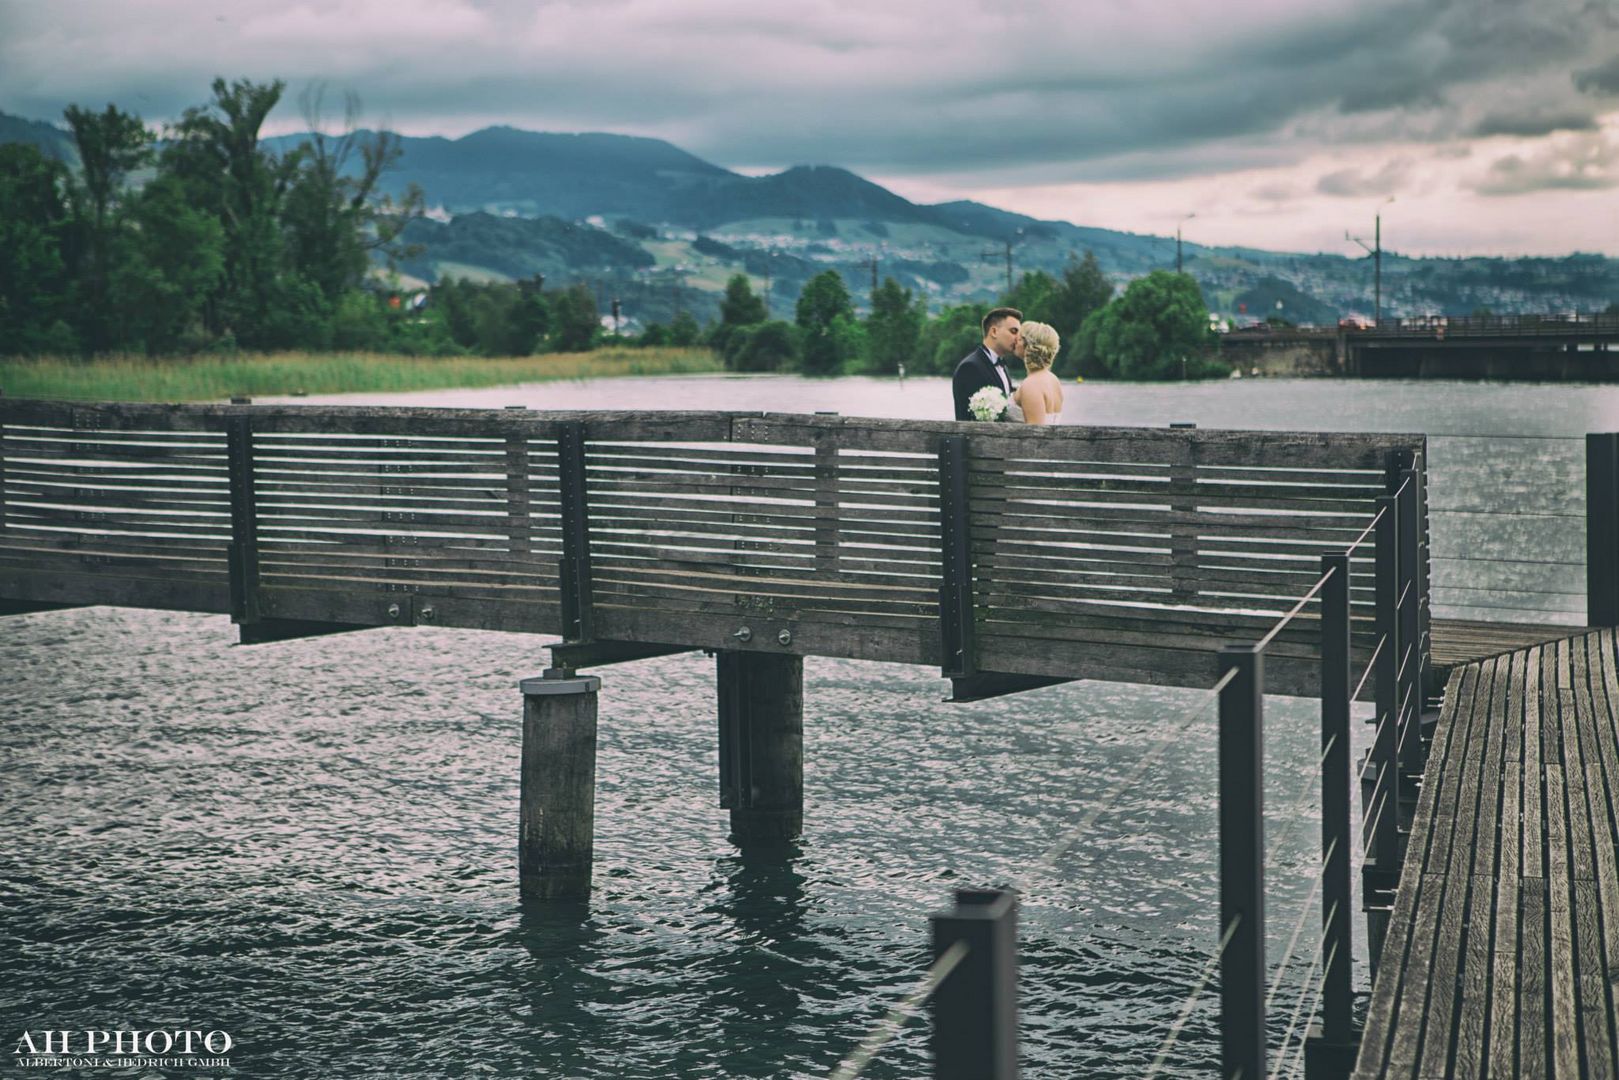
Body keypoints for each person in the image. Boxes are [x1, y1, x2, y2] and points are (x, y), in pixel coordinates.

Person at [952, 307, 1021, 421]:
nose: (1018, 338)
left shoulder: (1002, 366)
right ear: (994, 332)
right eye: (1013, 331)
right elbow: (968, 418)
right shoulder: (970, 367)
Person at [1011, 321, 1063, 424]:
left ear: (1029, 346)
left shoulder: (1031, 384)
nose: (1015, 340)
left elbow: (1035, 435)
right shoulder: (1053, 379)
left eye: (1019, 338)